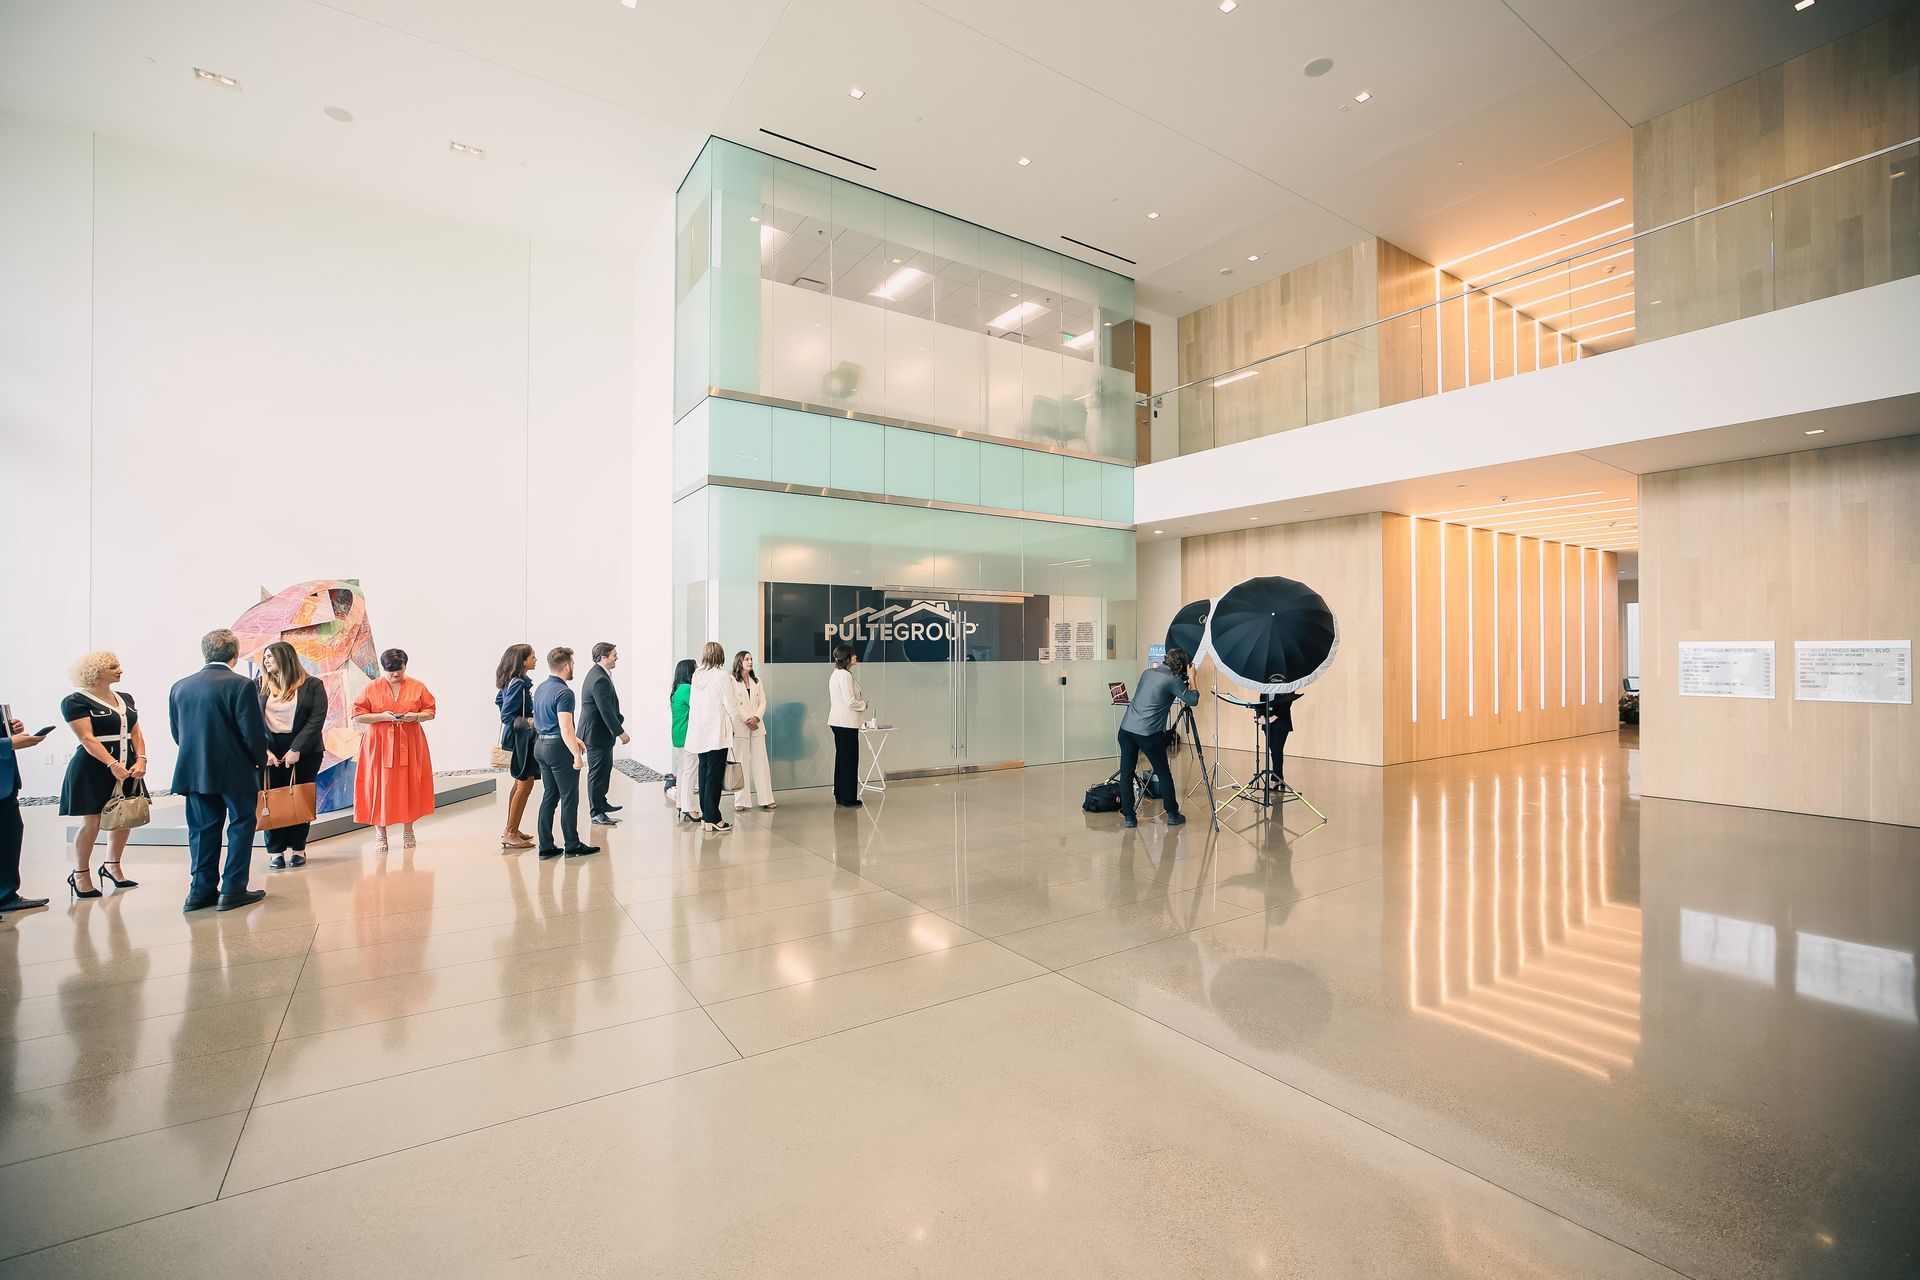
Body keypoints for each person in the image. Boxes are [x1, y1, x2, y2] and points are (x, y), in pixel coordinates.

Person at [170, 628, 269, 911]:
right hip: (236, 771)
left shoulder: (180, 686)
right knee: (240, 827)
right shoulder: (241, 685)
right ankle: (233, 889)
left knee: (201, 831)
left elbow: (178, 733)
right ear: (235, 655)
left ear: (205, 653)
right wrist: (260, 762)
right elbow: (252, 733)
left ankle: (199, 891)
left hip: (194, 771)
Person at [58, 651, 148, 897]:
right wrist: (111, 764)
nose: (120, 669)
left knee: (123, 816)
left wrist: (141, 758)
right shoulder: (75, 701)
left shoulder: (125, 698)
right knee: (93, 821)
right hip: (93, 767)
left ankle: (112, 866)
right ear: (96, 672)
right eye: (113, 666)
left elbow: (136, 732)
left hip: (127, 764)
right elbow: (87, 738)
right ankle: (80, 874)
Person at [350, 648, 437, 853]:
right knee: (379, 784)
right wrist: (382, 716)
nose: (394, 674)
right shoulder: (371, 687)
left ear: (405, 666)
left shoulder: (417, 686)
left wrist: (414, 716)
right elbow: (357, 715)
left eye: (398, 670)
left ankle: (409, 829)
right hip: (379, 743)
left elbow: (430, 711)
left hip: (410, 740)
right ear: (383, 668)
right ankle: (380, 833)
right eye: (389, 671)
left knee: (409, 782)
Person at [258, 640, 329, 869]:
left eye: (270, 656)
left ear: (286, 658)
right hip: (268, 750)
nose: (266, 661)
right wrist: (263, 749)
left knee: (299, 797)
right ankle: (275, 852)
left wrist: (297, 748)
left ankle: (299, 849)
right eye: (265, 657)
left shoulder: (312, 685)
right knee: (271, 799)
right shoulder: (258, 686)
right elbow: (250, 722)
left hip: (305, 749)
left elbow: (316, 720)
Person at [1117, 646, 1195, 830]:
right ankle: (1173, 814)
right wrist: (1192, 678)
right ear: (1180, 667)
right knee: (1163, 772)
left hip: (1126, 729)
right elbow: (1193, 700)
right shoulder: (1172, 680)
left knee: (1126, 774)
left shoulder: (1147, 672)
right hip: (1147, 734)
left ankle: (1129, 816)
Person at [531, 646, 597, 858]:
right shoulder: (564, 692)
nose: (573, 668)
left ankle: (546, 847)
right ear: (567, 666)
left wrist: (572, 738)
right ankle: (572, 844)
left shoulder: (541, 688)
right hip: (558, 750)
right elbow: (565, 728)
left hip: (540, 746)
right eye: (573, 664)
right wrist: (576, 755)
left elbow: (548, 721)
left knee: (550, 796)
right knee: (569, 797)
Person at [1, 716, 51, 913]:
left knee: (10, 836)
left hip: (6, 782)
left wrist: (10, 729)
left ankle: (5, 896)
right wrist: (9, 743)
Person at [684, 642, 735, 832]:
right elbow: (730, 705)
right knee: (715, 774)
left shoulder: (697, 675)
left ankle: (707, 816)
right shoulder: (722, 676)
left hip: (699, 733)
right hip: (716, 732)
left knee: (704, 773)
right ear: (721, 655)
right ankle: (714, 817)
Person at [579, 641, 630, 826]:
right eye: (614, 655)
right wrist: (620, 732)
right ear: (604, 657)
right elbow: (605, 710)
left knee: (604, 770)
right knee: (597, 773)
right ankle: (596, 812)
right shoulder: (599, 678)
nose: (617, 657)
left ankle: (602, 803)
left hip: (600, 734)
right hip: (596, 734)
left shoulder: (599, 673)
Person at [494, 643, 538, 849]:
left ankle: (512, 828)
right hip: (522, 738)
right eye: (532, 657)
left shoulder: (511, 681)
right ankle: (510, 832)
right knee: (524, 783)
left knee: (521, 782)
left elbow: (498, 700)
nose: (535, 660)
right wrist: (530, 721)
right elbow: (506, 715)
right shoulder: (519, 683)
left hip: (519, 738)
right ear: (522, 661)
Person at [730, 650, 776, 812]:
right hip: (741, 727)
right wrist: (748, 719)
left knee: (761, 763)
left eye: (751, 659)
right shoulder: (732, 681)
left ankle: (766, 799)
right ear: (739, 662)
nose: (750, 662)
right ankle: (740, 801)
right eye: (747, 659)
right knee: (741, 764)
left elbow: (763, 702)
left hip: (757, 727)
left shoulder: (757, 680)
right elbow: (733, 705)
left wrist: (756, 718)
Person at [827, 643, 868, 808]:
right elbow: (850, 701)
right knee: (849, 761)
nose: (856, 657)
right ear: (847, 658)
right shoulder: (845, 675)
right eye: (853, 655)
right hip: (846, 723)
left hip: (838, 722)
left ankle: (840, 794)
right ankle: (848, 797)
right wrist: (863, 704)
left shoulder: (837, 673)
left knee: (842, 760)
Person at [668, 659, 697, 823]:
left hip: (679, 734)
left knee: (683, 770)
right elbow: (700, 707)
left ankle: (680, 802)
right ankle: (689, 807)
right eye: (695, 669)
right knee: (690, 772)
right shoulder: (688, 689)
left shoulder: (677, 688)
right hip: (689, 736)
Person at [1257, 691, 1301, 786]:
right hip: (1267, 722)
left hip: (1280, 722)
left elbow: (1287, 703)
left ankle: (1276, 779)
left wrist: (1274, 717)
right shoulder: (1266, 685)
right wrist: (1261, 716)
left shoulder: (1286, 684)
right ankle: (1279, 778)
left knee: (1276, 750)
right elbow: (1261, 702)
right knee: (1274, 750)